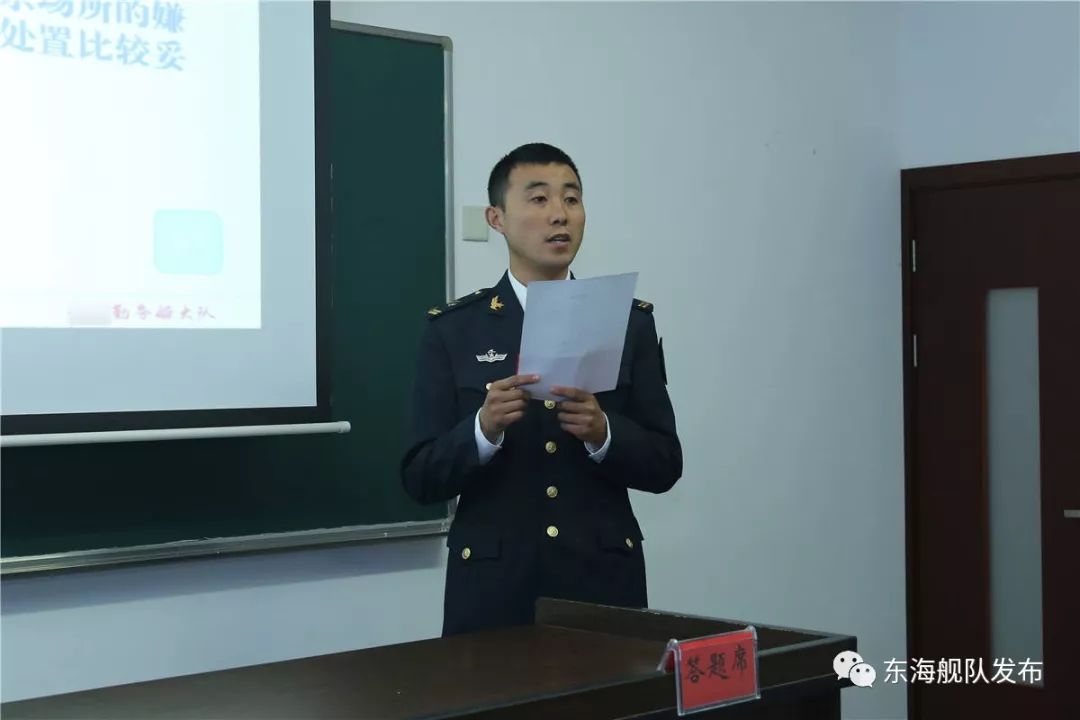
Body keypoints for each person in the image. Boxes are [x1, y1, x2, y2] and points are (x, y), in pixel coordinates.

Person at [401, 142, 682, 636]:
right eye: (539, 199)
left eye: (571, 199)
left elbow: (665, 465)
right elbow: (420, 478)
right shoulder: (455, 330)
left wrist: (604, 434)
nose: (560, 214)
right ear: (496, 218)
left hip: (602, 585)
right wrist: (483, 429)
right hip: (493, 591)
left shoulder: (627, 322)